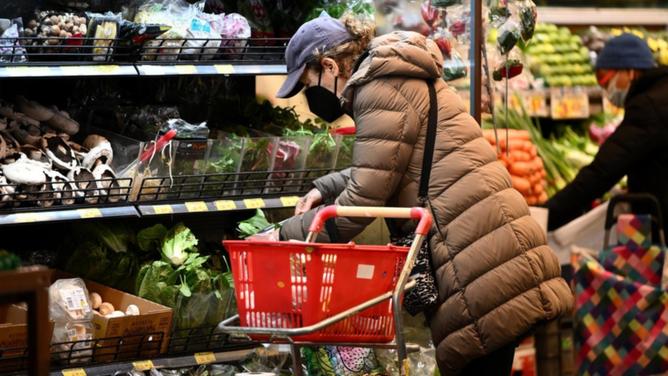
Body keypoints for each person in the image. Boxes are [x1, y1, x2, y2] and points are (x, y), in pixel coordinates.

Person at [265, 14, 573, 375]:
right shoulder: (392, 77)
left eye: (307, 84)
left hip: (480, 264)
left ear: (330, 64)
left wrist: (283, 235)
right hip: (493, 251)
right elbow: (392, 162)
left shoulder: (377, 89)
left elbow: (362, 203)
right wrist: (326, 187)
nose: (309, 97)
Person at [546, 34, 668, 233]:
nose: (606, 90)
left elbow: (602, 172)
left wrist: (546, 216)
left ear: (630, 71)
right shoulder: (660, 93)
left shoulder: (648, 107)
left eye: (606, 80)